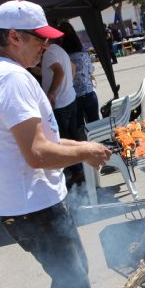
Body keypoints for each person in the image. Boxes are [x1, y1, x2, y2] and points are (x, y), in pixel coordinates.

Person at [0, 0, 116, 288]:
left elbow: (45, 140)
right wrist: (84, 153)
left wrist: (83, 144)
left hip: (34, 203)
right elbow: (37, 153)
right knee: (74, 286)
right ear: (14, 37)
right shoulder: (10, 80)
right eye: (40, 38)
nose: (46, 45)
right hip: (33, 207)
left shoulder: (3, 74)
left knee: (75, 278)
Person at [42, 23, 83, 185]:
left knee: (63, 139)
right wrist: (67, 85)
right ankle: (80, 169)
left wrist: (51, 92)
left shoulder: (50, 53)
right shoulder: (60, 52)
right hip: (70, 98)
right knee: (73, 136)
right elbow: (71, 69)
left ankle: (77, 172)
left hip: (60, 104)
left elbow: (59, 72)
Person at [57, 21, 100, 129]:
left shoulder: (63, 56)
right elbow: (90, 70)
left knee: (80, 130)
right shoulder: (83, 53)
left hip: (73, 98)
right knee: (96, 127)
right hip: (89, 93)